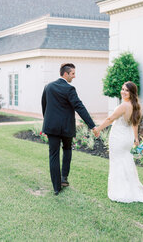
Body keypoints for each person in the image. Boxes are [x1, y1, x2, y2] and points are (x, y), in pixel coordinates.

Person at [41, 63, 97, 195]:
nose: (74, 76)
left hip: (51, 126)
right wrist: (92, 125)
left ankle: (56, 187)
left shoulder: (48, 87)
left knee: (53, 155)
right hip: (66, 127)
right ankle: (64, 178)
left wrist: (48, 121)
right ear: (65, 74)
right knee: (67, 150)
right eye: (73, 74)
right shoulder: (70, 89)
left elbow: (44, 106)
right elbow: (79, 107)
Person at [95, 81, 143, 203]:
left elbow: (110, 119)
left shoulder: (124, 106)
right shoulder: (136, 106)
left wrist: (98, 129)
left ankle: (121, 191)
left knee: (117, 162)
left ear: (132, 93)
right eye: (122, 89)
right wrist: (136, 139)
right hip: (128, 137)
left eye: (126, 90)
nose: (123, 92)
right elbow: (135, 124)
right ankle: (131, 188)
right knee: (126, 161)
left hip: (119, 137)